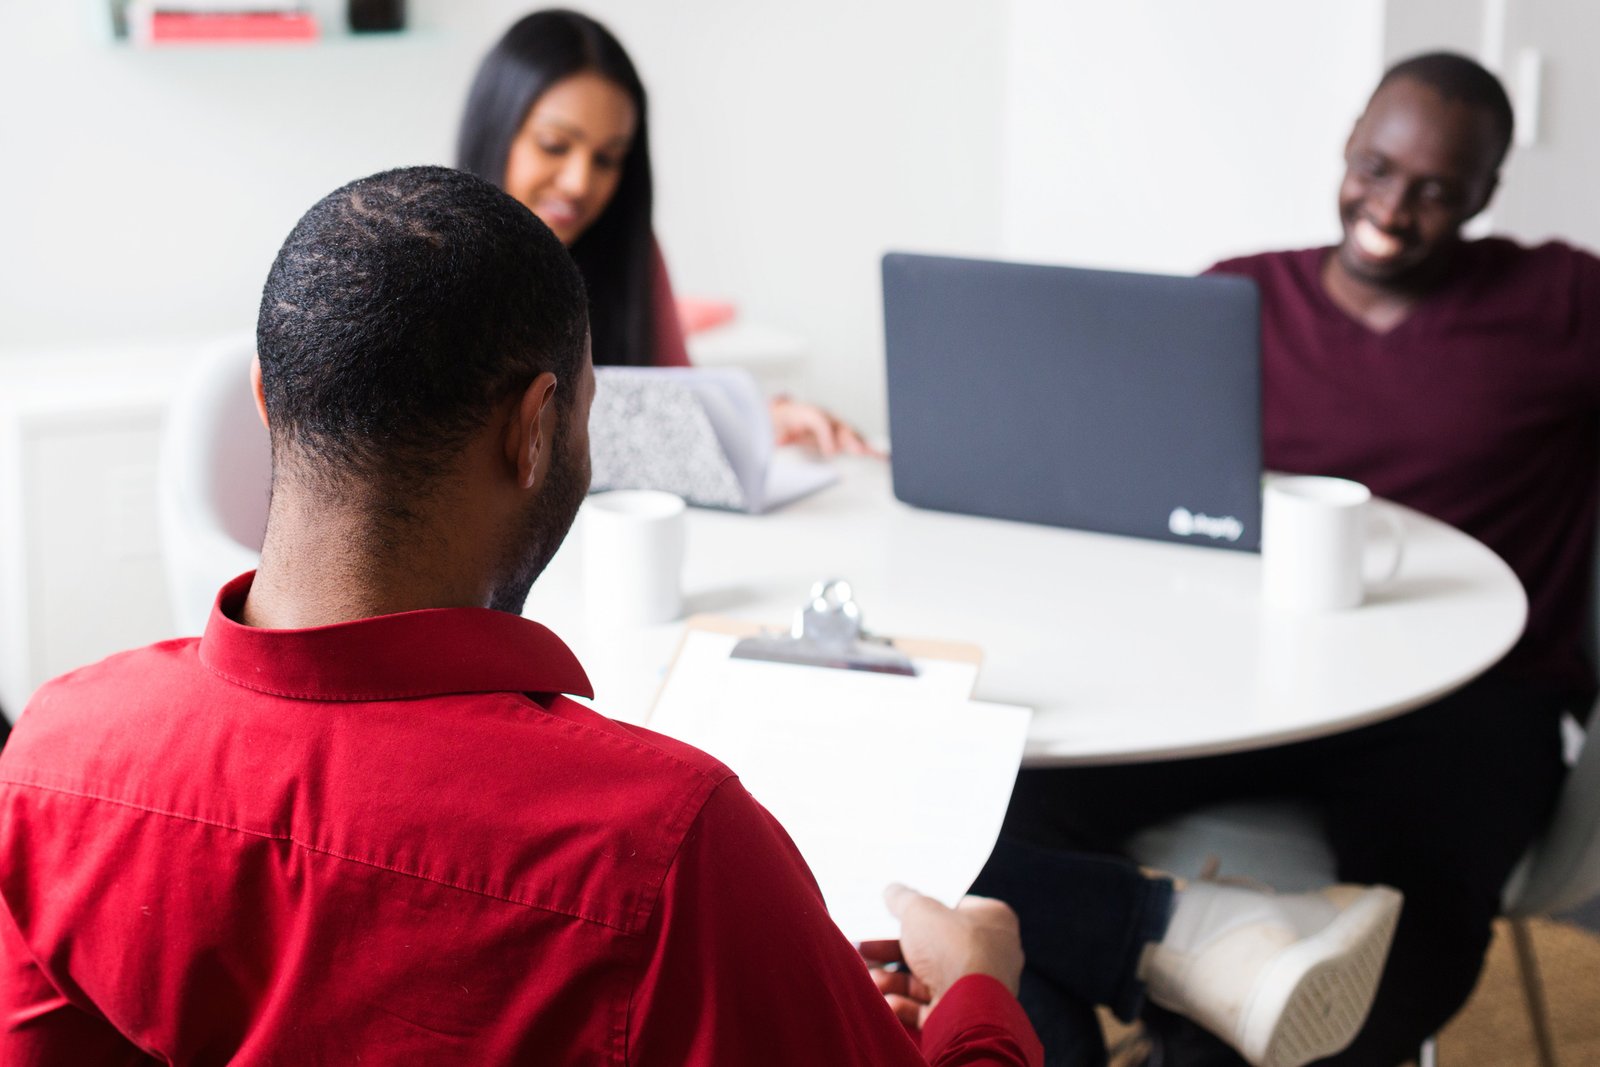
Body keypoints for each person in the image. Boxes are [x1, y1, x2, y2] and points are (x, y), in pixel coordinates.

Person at [0, 167, 1400, 1066]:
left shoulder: (53, 754)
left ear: (269, 403)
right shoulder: (661, 843)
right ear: (538, 421)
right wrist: (976, 998)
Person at [987, 52, 1599, 1066]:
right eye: (1374, 167)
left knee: (1398, 940)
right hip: (1242, 674)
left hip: (1469, 700)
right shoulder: (1238, 297)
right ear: (1347, 146)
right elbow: (1126, 475)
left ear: (1485, 193)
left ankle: (1209, 995)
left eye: (1436, 191)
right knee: (988, 826)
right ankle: (1189, 941)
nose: (1391, 208)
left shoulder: (1560, 303)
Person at [457, 7, 875, 457]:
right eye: (554, 145)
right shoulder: (435, 263)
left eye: (607, 159)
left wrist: (766, 419)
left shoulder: (629, 253)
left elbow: (678, 405)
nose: (579, 182)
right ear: (496, 129)